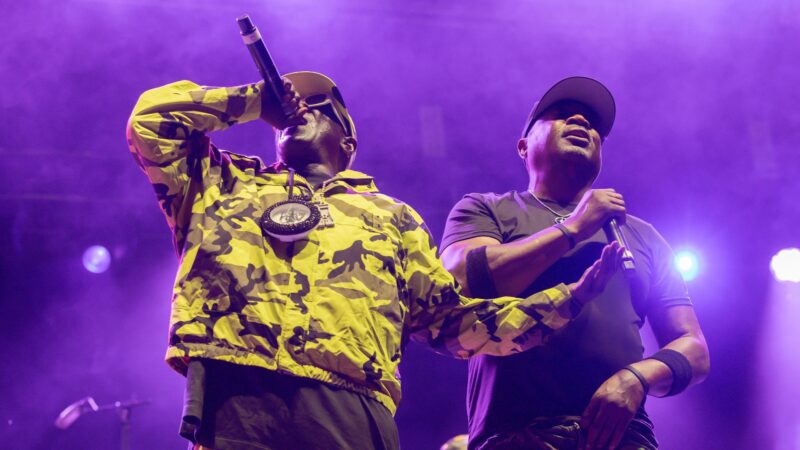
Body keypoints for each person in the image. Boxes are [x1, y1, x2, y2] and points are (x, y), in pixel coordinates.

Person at [126, 72, 625, 450]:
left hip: (350, 405)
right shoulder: (220, 185)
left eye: (320, 106)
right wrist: (256, 100)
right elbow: (150, 124)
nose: (302, 108)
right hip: (237, 394)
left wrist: (568, 299)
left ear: (348, 143)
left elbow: (453, 324)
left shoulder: (392, 217)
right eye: (296, 103)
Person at [440, 76, 710, 450]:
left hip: (621, 437)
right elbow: (458, 281)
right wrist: (575, 227)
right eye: (563, 114)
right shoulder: (487, 210)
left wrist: (636, 378)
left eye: (592, 123)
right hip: (515, 436)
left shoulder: (642, 235)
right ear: (523, 146)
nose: (582, 121)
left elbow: (693, 347)